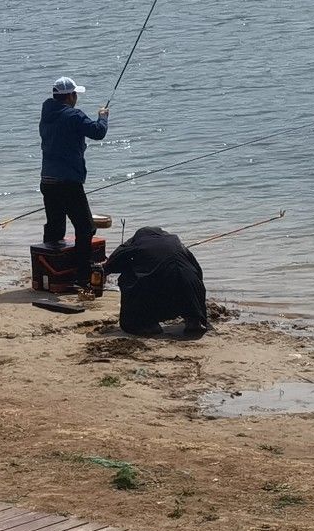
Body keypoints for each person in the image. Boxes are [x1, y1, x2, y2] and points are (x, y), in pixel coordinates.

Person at [39, 76, 108, 289]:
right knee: (86, 227)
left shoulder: (46, 115)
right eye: (75, 94)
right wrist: (103, 117)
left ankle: (48, 272)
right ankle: (82, 275)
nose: (76, 98)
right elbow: (98, 132)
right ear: (69, 96)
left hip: (47, 180)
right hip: (67, 181)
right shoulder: (73, 115)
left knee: (55, 226)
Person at [104, 226, 209, 337]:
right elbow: (198, 271)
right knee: (186, 275)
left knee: (127, 277)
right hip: (189, 293)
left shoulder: (137, 243)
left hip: (159, 293)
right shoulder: (176, 242)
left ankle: (146, 324)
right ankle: (193, 319)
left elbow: (112, 263)